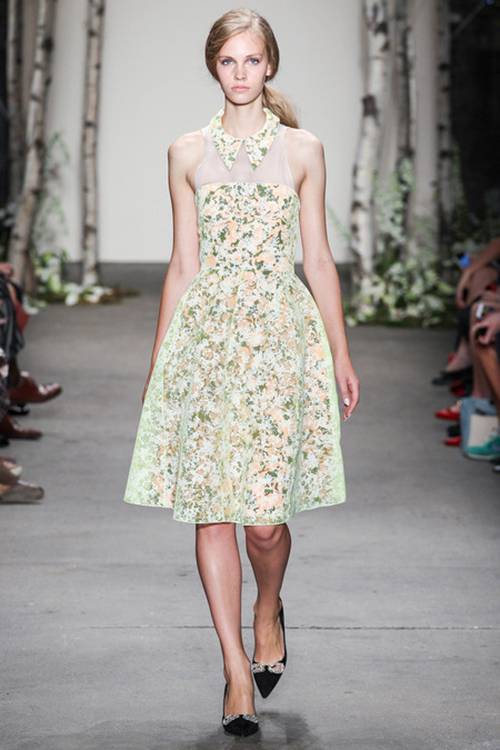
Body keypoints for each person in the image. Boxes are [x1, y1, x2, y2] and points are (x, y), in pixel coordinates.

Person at [123, 8, 360, 737]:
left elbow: (318, 259)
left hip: (280, 344)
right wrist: (160, 364)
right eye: (229, 61)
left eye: (252, 60)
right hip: (207, 345)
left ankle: (267, 606)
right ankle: (234, 671)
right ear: (213, 67)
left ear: (270, 65)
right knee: (212, 509)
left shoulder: (303, 150)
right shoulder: (186, 152)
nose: (241, 73)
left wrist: (340, 352)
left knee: (264, 523)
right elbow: (182, 264)